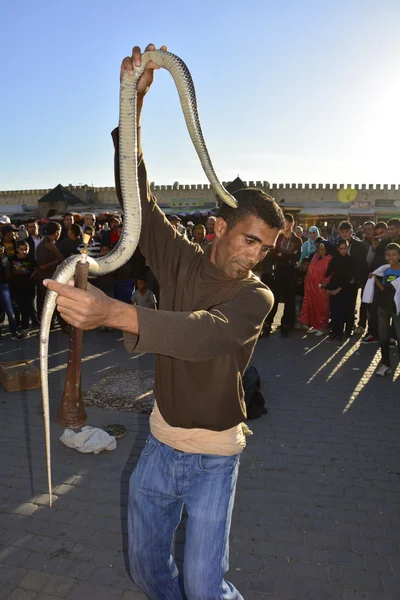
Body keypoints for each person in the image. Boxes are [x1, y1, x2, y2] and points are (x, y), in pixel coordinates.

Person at [44, 42, 284, 600]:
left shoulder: (257, 297)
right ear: (220, 228)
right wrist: (134, 106)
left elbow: (202, 334)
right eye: (249, 239)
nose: (255, 255)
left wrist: (113, 313)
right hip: (158, 445)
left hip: (215, 458)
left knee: (204, 589)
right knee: (147, 572)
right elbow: (139, 197)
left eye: (265, 248)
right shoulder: (178, 256)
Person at [363, 243, 400, 377]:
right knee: (383, 338)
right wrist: (374, 278)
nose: (391, 257)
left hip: (397, 309)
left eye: (394, 254)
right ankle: (385, 365)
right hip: (383, 307)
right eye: (388, 254)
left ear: (399, 256)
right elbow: (384, 289)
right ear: (385, 256)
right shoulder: (385, 270)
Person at [263, 213, 302, 337]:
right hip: (278, 272)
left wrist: (283, 255)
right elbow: (273, 254)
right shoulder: (278, 237)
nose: (283, 225)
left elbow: (296, 257)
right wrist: (286, 256)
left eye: (285, 222)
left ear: (291, 224)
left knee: (289, 301)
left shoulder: (297, 240)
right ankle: (268, 325)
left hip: (290, 272)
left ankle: (286, 326)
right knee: (273, 299)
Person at [337, 221, 368, 336]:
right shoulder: (337, 243)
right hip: (340, 279)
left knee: (351, 304)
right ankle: (338, 327)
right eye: (342, 232)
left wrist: (360, 279)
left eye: (347, 232)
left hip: (353, 280)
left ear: (351, 232)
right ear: (339, 232)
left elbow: (362, 263)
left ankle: (349, 327)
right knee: (341, 304)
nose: (345, 234)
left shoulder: (359, 245)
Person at [322, 239, 355, 341]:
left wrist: (338, 289)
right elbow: (329, 275)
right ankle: (334, 331)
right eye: (341, 249)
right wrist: (327, 288)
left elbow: (348, 278)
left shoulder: (350, 261)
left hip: (344, 289)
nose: (343, 251)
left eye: (345, 248)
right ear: (337, 249)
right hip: (333, 288)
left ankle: (340, 332)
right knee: (334, 311)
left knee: (341, 312)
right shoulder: (334, 260)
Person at [300, 240, 333, 335]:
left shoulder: (329, 259)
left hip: (320, 287)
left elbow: (330, 274)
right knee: (312, 306)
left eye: (323, 249)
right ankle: (315, 325)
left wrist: (325, 283)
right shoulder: (315, 256)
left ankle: (322, 327)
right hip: (311, 286)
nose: (321, 251)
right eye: (319, 249)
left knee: (321, 308)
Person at [36, 222, 64, 321]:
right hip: (46, 280)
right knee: (46, 306)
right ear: (57, 232)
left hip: (53, 279)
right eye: (59, 232)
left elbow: (62, 259)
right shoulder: (44, 245)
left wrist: (55, 251)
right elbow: (42, 266)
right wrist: (55, 262)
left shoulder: (53, 243)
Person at [9, 240, 37, 337]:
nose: (24, 252)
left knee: (26, 310)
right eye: (21, 249)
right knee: (16, 310)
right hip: (15, 289)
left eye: (26, 249)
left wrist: (32, 276)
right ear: (17, 249)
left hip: (28, 289)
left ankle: (25, 329)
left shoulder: (31, 259)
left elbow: (37, 269)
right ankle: (16, 328)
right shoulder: (12, 259)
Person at [0, 244, 22, 340]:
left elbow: (8, 272)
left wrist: (2, 257)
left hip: (4, 285)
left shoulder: (5, 258)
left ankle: (14, 331)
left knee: (9, 309)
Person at [294, 257, 310, 329]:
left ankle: (303, 323)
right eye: (304, 264)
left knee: (304, 310)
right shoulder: (297, 271)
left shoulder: (309, 273)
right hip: (298, 293)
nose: (305, 266)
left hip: (305, 293)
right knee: (297, 310)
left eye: (307, 264)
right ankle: (297, 323)